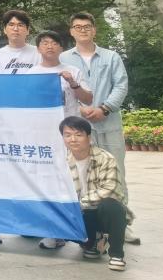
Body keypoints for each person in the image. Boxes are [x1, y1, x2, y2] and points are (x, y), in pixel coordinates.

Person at [59, 12, 137, 244]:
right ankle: (85, 223)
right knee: (80, 174)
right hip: (78, 127)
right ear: (71, 31)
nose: (83, 30)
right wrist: (81, 109)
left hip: (108, 123)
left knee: (116, 172)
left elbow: (121, 85)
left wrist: (105, 108)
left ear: (94, 30)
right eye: (77, 27)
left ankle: (121, 223)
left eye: (87, 26)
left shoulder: (111, 56)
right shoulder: (63, 58)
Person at [42, 116, 129, 271]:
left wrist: (78, 204)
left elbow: (109, 189)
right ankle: (93, 242)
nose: (73, 139)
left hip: (100, 212)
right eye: (67, 135)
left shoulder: (105, 158)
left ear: (89, 137)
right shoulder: (61, 161)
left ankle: (116, 254)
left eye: (78, 134)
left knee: (112, 206)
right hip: (80, 214)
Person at [28, 31, 92, 118]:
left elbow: (88, 100)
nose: (50, 47)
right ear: (38, 49)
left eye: (54, 43)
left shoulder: (74, 71)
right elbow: (27, 102)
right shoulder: (31, 74)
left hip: (69, 123)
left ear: (61, 49)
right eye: (45, 43)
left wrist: (73, 83)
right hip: (42, 122)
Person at [0, 9, 40, 74]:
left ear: (28, 30)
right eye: (11, 25)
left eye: (20, 25)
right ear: (5, 30)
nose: (15, 29)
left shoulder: (39, 53)